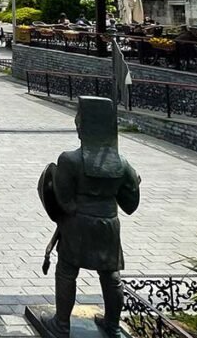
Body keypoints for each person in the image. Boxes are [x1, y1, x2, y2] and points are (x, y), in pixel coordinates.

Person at [34, 97, 141, 337]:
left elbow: (63, 201)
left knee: (66, 271)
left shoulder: (69, 160)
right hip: (109, 224)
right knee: (111, 276)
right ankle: (112, 325)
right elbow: (131, 204)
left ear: (84, 128)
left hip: (78, 223)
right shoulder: (123, 165)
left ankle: (61, 324)